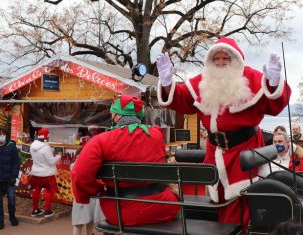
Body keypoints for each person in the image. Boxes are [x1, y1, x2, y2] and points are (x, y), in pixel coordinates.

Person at [156, 37, 291, 225]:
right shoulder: (202, 82)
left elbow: (274, 106)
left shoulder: (252, 79)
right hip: (214, 150)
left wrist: (273, 82)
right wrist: (167, 83)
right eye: (216, 59)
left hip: (244, 151)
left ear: (235, 60)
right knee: (217, 199)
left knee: (242, 199)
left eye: (225, 59)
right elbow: (182, 100)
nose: (220, 63)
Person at [71, 95, 180, 226]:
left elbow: (80, 174)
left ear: (117, 116)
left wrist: (97, 190)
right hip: (162, 206)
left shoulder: (100, 140)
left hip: (120, 211)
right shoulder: (157, 134)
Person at [71, 147, 104, 235]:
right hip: (82, 196)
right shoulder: (78, 165)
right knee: (79, 223)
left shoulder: (76, 164)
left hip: (86, 197)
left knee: (88, 221)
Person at [30, 128, 61, 218]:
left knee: (37, 189)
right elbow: (51, 162)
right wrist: (58, 155)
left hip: (36, 172)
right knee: (49, 191)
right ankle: (47, 210)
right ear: (46, 136)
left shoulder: (32, 145)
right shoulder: (46, 148)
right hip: (47, 173)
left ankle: (35, 210)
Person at [0, 128, 19, 229]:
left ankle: (12, 216)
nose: (1, 136)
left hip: (9, 180)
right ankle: (1, 221)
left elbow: (16, 162)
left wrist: (14, 176)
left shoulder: (11, 146)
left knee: (11, 199)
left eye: (2, 134)